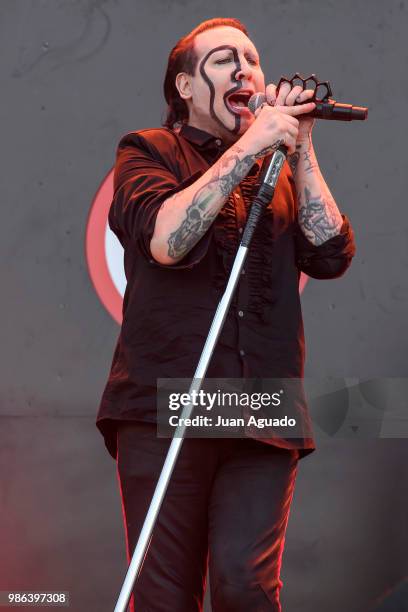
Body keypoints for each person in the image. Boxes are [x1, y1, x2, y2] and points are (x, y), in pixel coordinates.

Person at [96, 17, 356, 611]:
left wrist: (302, 143)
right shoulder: (147, 151)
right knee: (163, 595)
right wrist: (250, 145)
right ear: (185, 86)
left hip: (262, 405)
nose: (244, 69)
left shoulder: (280, 168)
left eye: (252, 58)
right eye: (221, 60)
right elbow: (166, 240)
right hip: (169, 400)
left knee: (247, 585)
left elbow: (332, 254)